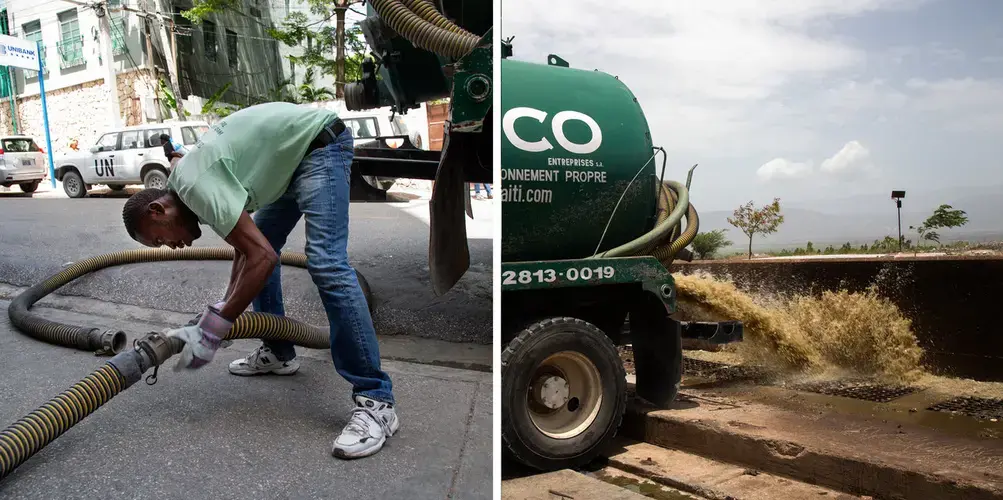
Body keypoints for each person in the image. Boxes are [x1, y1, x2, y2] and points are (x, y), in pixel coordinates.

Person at [120, 102, 398, 459]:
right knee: (260, 245)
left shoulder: (196, 188)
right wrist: (223, 309)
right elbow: (247, 252)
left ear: (158, 210)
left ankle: (377, 400)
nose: (170, 246)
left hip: (318, 146)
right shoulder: (187, 185)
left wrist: (215, 327)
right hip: (292, 158)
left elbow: (261, 258)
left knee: (326, 264)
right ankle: (280, 352)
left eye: (159, 238)